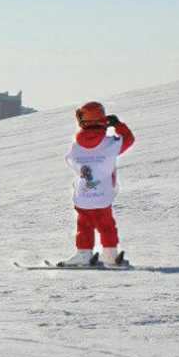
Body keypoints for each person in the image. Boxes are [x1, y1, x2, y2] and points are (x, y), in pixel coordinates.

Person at [61, 101, 135, 267]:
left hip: (83, 195)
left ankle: (83, 254)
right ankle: (110, 254)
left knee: (84, 224)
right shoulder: (111, 144)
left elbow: (70, 160)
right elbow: (129, 139)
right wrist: (117, 124)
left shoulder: (76, 145)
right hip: (103, 194)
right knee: (106, 225)